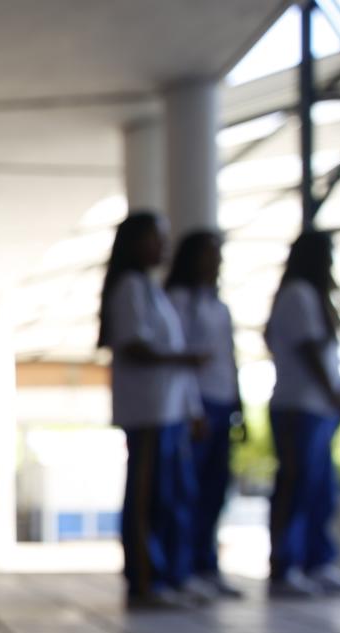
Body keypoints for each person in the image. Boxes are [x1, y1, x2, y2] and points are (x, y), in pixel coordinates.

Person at [100, 211, 207, 610]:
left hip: (167, 410)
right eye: (155, 238)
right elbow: (133, 344)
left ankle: (168, 575)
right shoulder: (130, 287)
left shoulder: (149, 288)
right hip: (147, 411)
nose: (162, 246)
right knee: (147, 500)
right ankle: (145, 580)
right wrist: (182, 359)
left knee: (171, 497)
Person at [263, 230, 340, 597]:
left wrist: (339, 393)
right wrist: (333, 393)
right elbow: (306, 351)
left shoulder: (316, 298)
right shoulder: (298, 295)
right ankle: (286, 565)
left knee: (321, 488)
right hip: (298, 407)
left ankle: (316, 562)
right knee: (296, 486)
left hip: (318, 408)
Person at [165, 230, 244, 599]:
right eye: (210, 254)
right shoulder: (180, 301)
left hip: (223, 401)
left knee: (215, 490)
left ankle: (205, 563)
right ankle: (182, 567)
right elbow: (182, 361)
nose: (216, 262)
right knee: (188, 490)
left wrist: (238, 403)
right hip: (197, 406)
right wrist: (193, 407)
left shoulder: (219, 305)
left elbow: (229, 357)